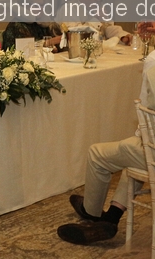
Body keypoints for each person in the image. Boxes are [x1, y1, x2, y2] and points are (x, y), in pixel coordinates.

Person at [57, 22, 155, 245]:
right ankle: (110, 219)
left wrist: (141, 137)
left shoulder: (153, 62)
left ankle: (91, 215)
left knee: (99, 153)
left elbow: (148, 112)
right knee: (134, 154)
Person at [63, 0, 131, 45]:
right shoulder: (68, 9)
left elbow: (107, 28)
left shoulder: (99, 6)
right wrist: (96, 20)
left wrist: (122, 36)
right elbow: (77, 36)